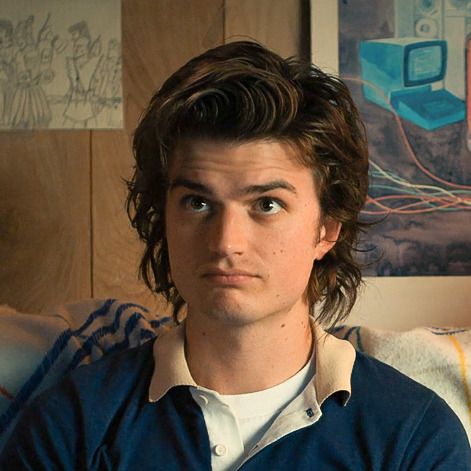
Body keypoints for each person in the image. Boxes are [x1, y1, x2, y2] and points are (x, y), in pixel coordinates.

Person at [1, 41, 469, 470]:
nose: (226, 243)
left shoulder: (415, 438)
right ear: (163, 217)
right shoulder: (72, 426)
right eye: (198, 203)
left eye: (267, 205)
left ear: (326, 230)